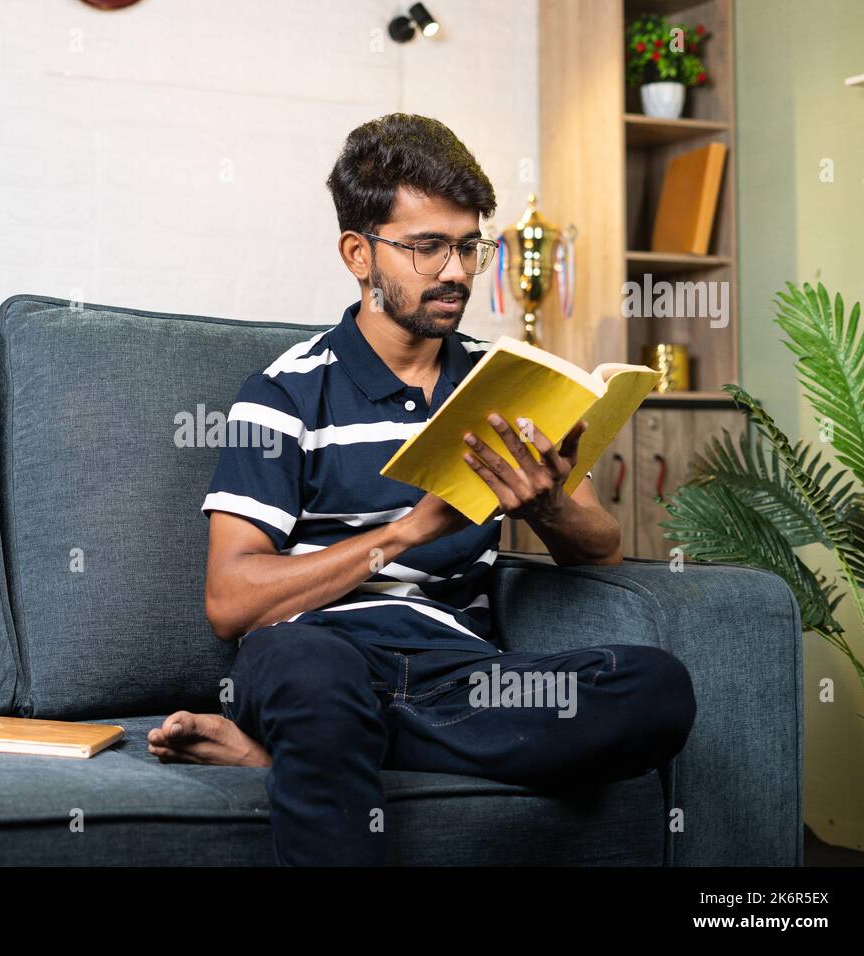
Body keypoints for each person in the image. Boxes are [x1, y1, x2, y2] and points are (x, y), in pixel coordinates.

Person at [146, 113, 697, 866]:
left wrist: (549, 506)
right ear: (357, 253)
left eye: (470, 245)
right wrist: (408, 531)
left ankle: (303, 758)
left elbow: (602, 554)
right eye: (427, 246)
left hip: (458, 678)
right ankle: (327, 739)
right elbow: (231, 600)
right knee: (317, 678)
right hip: (317, 654)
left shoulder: (501, 385)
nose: (458, 272)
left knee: (654, 688)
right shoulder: (280, 395)